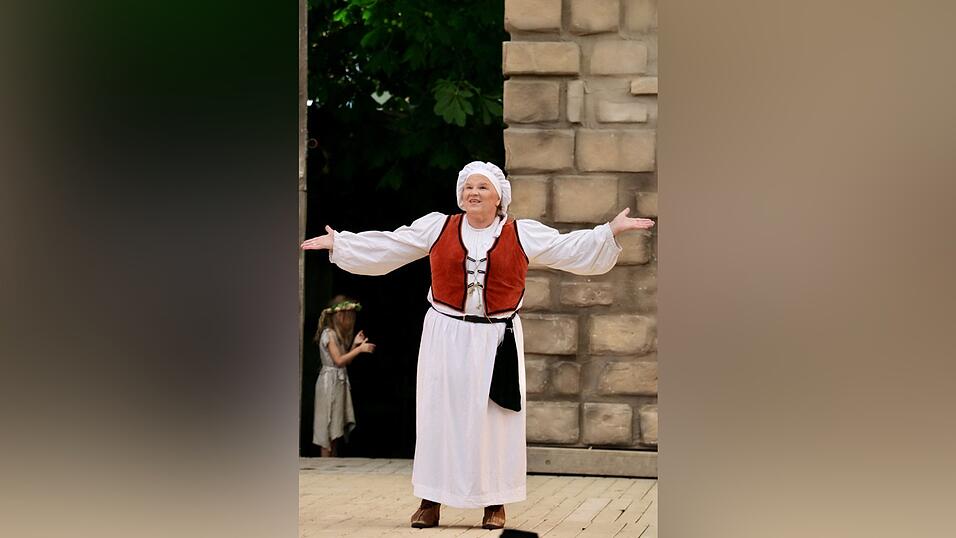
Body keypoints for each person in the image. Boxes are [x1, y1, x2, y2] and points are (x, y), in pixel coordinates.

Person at [301, 161, 654, 529]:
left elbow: (568, 247)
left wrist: (609, 231)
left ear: (498, 196)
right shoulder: (439, 226)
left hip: (496, 337)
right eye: (468, 187)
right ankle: (430, 500)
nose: (473, 192)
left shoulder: (522, 233)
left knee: (496, 419)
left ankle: (494, 503)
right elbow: (393, 243)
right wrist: (341, 242)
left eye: (482, 187)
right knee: (440, 415)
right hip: (446, 333)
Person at [312, 296, 376, 457]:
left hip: (337, 382)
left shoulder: (336, 335)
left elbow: (343, 359)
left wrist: (354, 344)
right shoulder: (329, 334)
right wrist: (359, 350)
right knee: (327, 427)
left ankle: (332, 464)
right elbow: (339, 360)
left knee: (335, 426)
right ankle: (324, 465)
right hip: (329, 383)